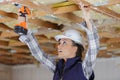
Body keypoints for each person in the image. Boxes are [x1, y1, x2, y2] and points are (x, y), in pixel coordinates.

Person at [18, 1, 99, 80]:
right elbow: (40, 56)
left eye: (64, 42)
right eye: (60, 42)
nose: (58, 46)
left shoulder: (83, 69)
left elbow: (93, 48)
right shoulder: (59, 68)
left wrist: (87, 19)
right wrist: (25, 32)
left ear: (75, 48)